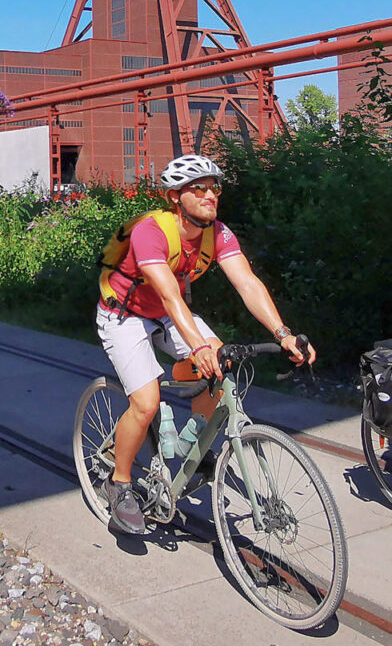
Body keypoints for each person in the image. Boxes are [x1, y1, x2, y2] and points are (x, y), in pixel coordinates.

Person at [94, 154, 315, 535]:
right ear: (176, 197)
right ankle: (120, 483)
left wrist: (283, 333)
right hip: (124, 314)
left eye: (215, 187)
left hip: (165, 316)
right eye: (200, 188)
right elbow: (169, 295)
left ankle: (193, 450)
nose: (211, 194)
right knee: (145, 403)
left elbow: (247, 283)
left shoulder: (218, 233)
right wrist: (198, 347)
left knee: (221, 363)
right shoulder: (152, 230)